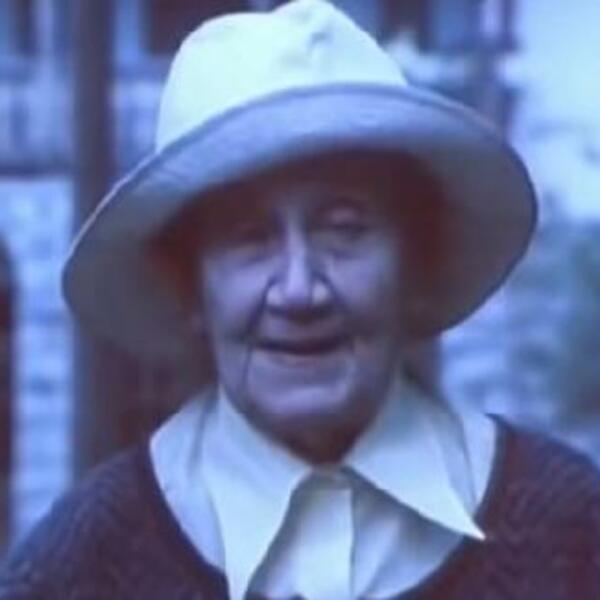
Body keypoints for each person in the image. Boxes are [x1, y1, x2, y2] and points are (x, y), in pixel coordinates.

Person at [2, 1, 600, 598]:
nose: (298, 290)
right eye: (249, 238)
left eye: (344, 229)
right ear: (191, 286)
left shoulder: (570, 532)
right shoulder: (80, 568)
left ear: (414, 262)